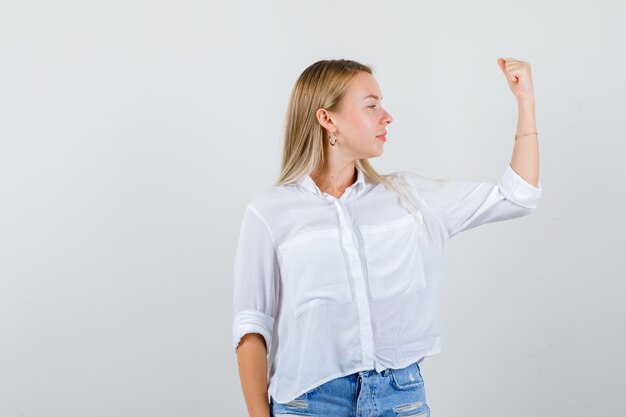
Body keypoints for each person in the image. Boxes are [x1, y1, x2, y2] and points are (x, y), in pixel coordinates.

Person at [232, 58, 542, 417]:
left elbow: (518, 196)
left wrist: (526, 102)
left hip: (400, 400)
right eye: (371, 105)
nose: (387, 116)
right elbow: (252, 328)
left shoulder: (410, 198)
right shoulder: (269, 212)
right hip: (308, 403)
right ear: (327, 119)